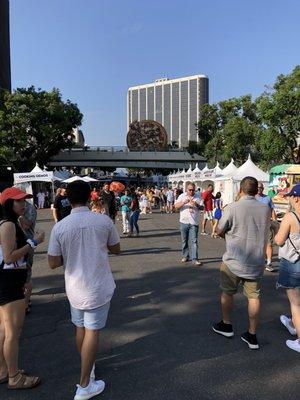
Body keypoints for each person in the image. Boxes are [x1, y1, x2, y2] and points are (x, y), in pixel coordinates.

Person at [48, 180, 120, 399]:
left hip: (75, 287)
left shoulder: (60, 226)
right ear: (91, 196)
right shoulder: (103, 221)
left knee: (80, 327)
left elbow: (52, 262)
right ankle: (85, 384)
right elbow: (116, 248)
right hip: (97, 285)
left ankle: (88, 367)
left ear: (67, 199)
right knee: (92, 331)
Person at [212, 177, 270, 350]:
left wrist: (225, 233)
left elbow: (220, 230)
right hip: (256, 261)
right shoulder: (265, 208)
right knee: (254, 297)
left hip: (234, 261)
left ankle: (226, 324)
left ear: (240, 190)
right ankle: (252, 334)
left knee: (227, 293)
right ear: (256, 190)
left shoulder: (233, 207)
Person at [0, 187, 44, 390]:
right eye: (18, 201)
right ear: (9, 203)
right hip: (9, 282)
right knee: (12, 332)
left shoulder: (10, 222)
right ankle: (14, 377)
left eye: (24, 200)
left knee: (4, 330)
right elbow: (9, 256)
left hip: (8, 280)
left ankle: (4, 370)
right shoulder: (7, 224)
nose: (23, 204)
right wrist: (32, 243)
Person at [274, 184, 300, 353]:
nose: (289, 198)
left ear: (296, 198)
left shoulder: (291, 216)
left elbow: (279, 240)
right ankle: (292, 324)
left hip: (292, 263)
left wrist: (276, 227)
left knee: (296, 304)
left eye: (290, 196)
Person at [174, 182, 203, 266]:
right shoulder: (182, 196)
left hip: (194, 222)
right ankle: (185, 256)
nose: (191, 191)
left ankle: (195, 259)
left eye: (193, 190)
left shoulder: (198, 196)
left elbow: (202, 207)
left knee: (194, 241)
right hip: (184, 222)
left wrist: (196, 204)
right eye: (190, 190)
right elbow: (175, 206)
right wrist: (183, 202)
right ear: (186, 189)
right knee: (184, 241)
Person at [18, 200, 37, 314]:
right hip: (14, 245)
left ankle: (26, 303)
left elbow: (26, 225)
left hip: (26, 244)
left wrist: (19, 215)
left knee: (26, 275)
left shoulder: (28, 207)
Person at [256, 182, 278, 272]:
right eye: (257, 187)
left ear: (263, 188)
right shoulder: (252, 198)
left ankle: (269, 263)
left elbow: (272, 210)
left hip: (266, 225)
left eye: (260, 188)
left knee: (269, 244)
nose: (259, 189)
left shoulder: (267, 198)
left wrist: (274, 221)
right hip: (255, 225)